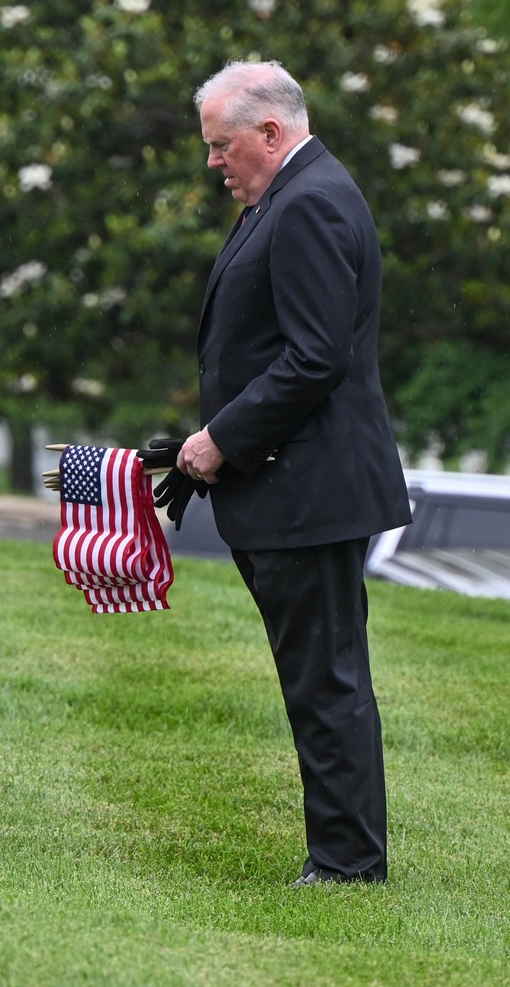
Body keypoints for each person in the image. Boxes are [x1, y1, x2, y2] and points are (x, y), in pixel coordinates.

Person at [140, 60, 411, 886]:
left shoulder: (312, 203)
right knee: (319, 679)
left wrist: (220, 438)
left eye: (222, 147)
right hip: (293, 484)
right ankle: (343, 853)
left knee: (326, 683)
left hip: (311, 490)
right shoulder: (289, 197)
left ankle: (347, 864)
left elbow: (315, 356)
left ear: (270, 132)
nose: (213, 163)